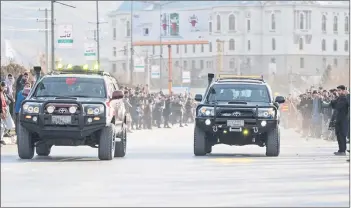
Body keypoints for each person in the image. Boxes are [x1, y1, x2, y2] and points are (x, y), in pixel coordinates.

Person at [329, 85, 349, 156]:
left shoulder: (344, 98)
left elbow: (338, 106)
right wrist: (332, 99)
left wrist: (335, 100)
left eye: (340, 90)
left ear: (343, 91)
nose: (338, 92)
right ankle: (340, 150)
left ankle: (343, 150)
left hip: (343, 119)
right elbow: (333, 106)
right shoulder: (339, 98)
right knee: (338, 135)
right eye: (338, 90)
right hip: (338, 119)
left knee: (342, 135)